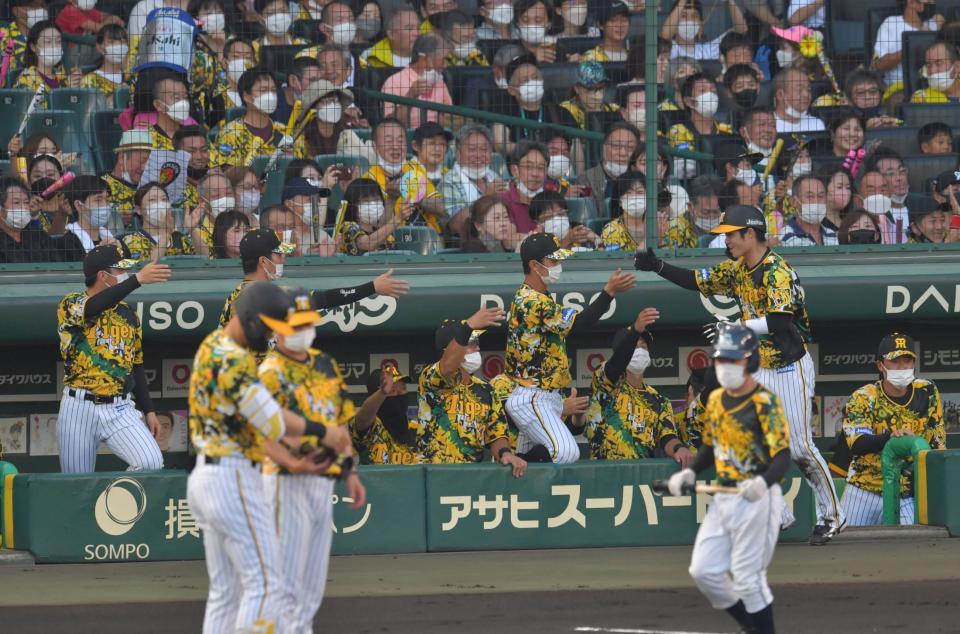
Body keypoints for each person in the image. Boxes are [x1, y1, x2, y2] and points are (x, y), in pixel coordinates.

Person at [636, 204, 846, 545]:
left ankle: (833, 517)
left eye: (731, 235)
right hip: (759, 368)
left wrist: (735, 327)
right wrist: (657, 265)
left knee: (799, 449)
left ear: (750, 234)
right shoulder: (737, 268)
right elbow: (697, 281)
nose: (726, 241)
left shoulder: (777, 270)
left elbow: (779, 321)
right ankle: (779, 515)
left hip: (789, 367)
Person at [186, 281, 351, 633]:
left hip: (207, 477)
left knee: (226, 592)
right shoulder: (232, 359)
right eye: (271, 328)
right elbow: (272, 422)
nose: (272, 337)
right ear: (252, 321)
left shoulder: (212, 345)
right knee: (268, 585)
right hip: (232, 478)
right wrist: (323, 432)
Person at [666, 322, 790, 634]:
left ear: (750, 361)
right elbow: (710, 446)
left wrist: (762, 482)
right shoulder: (717, 400)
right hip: (725, 497)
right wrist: (691, 472)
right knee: (704, 571)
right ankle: (752, 627)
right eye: (720, 359)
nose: (724, 366)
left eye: (732, 360)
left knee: (749, 579)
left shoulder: (765, 402)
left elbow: (782, 456)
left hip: (758, 499)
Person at [258, 288, 366, 633]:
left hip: (323, 479)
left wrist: (349, 471)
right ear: (277, 328)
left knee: (311, 586)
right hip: (285, 482)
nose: (304, 330)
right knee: (286, 582)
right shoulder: (270, 372)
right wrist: (292, 463)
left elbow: (339, 422)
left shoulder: (324, 363)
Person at [503, 232, 635, 463]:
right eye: (553, 261)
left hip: (546, 396)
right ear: (535, 265)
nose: (558, 265)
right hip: (532, 397)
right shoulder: (531, 301)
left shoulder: (541, 297)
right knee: (566, 452)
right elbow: (582, 323)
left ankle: (519, 468)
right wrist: (609, 292)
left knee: (526, 461)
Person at [56, 245, 171, 473]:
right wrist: (137, 280)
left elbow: (135, 364)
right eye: (119, 270)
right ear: (102, 275)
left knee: (150, 463)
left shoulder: (128, 313)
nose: (124, 274)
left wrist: (149, 410)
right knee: (76, 484)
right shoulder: (71, 303)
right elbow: (94, 306)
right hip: (79, 406)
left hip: (119, 407)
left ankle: (112, 503)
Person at [837, 333, 944, 526]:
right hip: (864, 489)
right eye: (895, 361)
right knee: (843, 547)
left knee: (911, 548)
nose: (902, 367)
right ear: (880, 365)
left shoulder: (927, 391)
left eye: (907, 360)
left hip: (906, 493)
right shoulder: (864, 396)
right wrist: (890, 438)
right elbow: (857, 443)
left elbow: (937, 444)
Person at [219, 227, 408, 326]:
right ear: (263, 261)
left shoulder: (233, 297)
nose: (283, 258)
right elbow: (326, 299)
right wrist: (372, 287)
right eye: (278, 254)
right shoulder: (270, 296)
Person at [418, 314, 528, 476]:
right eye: (470, 343)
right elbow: (447, 367)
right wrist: (468, 327)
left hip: (471, 477)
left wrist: (505, 453)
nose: (477, 348)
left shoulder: (486, 390)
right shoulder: (430, 379)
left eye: (477, 343)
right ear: (448, 350)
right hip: (433, 474)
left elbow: (496, 433)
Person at [586, 307, 693, 466]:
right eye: (635, 347)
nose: (641, 350)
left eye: (644, 346)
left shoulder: (659, 400)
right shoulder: (606, 384)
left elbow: (667, 436)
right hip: (604, 475)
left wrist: (679, 448)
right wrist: (635, 330)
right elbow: (614, 366)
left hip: (640, 478)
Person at [210, 69, 289, 167]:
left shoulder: (284, 131)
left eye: (273, 90)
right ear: (247, 97)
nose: (271, 95)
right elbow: (224, 176)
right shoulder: (230, 134)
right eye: (263, 90)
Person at [440, 123, 508, 236]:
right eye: (472, 149)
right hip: (466, 247)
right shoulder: (449, 182)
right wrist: (485, 198)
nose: (478, 155)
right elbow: (455, 226)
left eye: (484, 149)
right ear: (458, 155)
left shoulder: (494, 176)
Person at [352, 367, 423, 464]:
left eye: (403, 389)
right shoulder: (371, 429)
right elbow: (362, 420)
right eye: (392, 390)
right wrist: (382, 393)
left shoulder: (418, 430)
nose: (400, 394)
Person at [381, 33, 452, 129]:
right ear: (426, 59)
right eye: (442, 60)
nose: (445, 66)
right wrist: (411, 95)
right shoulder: (394, 82)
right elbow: (389, 127)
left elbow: (449, 119)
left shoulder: (440, 81)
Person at [872, 0, 942, 92]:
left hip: (934, 84)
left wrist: (941, 32)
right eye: (928, 0)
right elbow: (879, 65)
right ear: (911, 2)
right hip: (900, 86)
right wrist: (913, 44)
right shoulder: (891, 23)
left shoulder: (935, 24)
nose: (932, 3)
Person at [578, 123, 640, 219]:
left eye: (630, 148)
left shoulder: (642, 179)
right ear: (604, 148)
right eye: (616, 146)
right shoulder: (586, 179)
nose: (623, 153)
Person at [338, 177, 413, 255]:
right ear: (353, 205)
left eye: (377, 199)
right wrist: (398, 218)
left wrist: (391, 199)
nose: (373, 204)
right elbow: (369, 244)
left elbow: (383, 225)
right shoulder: (348, 228)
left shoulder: (381, 231)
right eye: (365, 200)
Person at [121, 182, 195, 261]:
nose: (160, 204)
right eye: (152, 200)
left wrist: (193, 229)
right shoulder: (129, 241)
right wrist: (166, 234)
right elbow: (149, 267)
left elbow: (205, 258)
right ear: (139, 210)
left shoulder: (180, 238)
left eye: (164, 199)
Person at [661, 0, 747, 61]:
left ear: (701, 27)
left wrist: (730, 1)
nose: (689, 20)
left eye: (694, 16)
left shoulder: (708, 50)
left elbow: (741, 30)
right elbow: (664, 37)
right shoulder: (669, 48)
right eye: (684, 16)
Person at [502, 140, 550, 239]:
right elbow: (509, 239)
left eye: (541, 168)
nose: (535, 174)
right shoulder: (504, 200)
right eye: (528, 167)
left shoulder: (553, 199)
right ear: (514, 170)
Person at [279, 176, 338, 256]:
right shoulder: (281, 235)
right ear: (289, 204)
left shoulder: (323, 236)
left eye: (316, 200)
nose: (315, 205)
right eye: (309, 200)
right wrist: (307, 255)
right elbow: (278, 260)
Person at [15, 20, 80, 91]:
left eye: (58, 41)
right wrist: (67, 91)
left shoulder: (61, 77)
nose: (54, 46)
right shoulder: (25, 79)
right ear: (33, 47)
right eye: (48, 42)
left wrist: (76, 88)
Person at [663, 175, 722, 248]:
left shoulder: (729, 227)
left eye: (716, 212)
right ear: (690, 207)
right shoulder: (674, 230)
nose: (711, 217)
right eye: (706, 212)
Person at [599, 170, 652, 251]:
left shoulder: (660, 224)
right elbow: (626, 263)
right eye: (628, 192)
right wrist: (649, 238)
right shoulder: (611, 230)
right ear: (619, 200)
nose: (634, 197)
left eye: (640, 192)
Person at [557, 61, 619, 130]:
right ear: (577, 88)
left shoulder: (615, 110)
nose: (597, 94)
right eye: (590, 88)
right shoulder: (564, 111)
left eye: (601, 88)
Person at [64, 175, 115, 254]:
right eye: (98, 200)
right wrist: (99, 253)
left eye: (107, 200)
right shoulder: (67, 243)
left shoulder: (111, 238)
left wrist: (120, 251)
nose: (105, 205)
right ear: (78, 205)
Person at [80, 24, 130, 103]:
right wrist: (114, 98)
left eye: (122, 42)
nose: (118, 46)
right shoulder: (89, 80)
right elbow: (88, 112)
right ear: (99, 48)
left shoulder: (132, 78)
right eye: (111, 42)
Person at [780, 174, 830, 246]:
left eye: (821, 196)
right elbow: (768, 257)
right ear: (794, 201)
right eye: (810, 196)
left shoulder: (832, 235)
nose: (816, 201)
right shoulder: (783, 237)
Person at [773, 68, 825, 134]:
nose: (806, 95)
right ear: (780, 95)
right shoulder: (765, 127)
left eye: (808, 89)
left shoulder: (816, 125)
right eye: (799, 89)